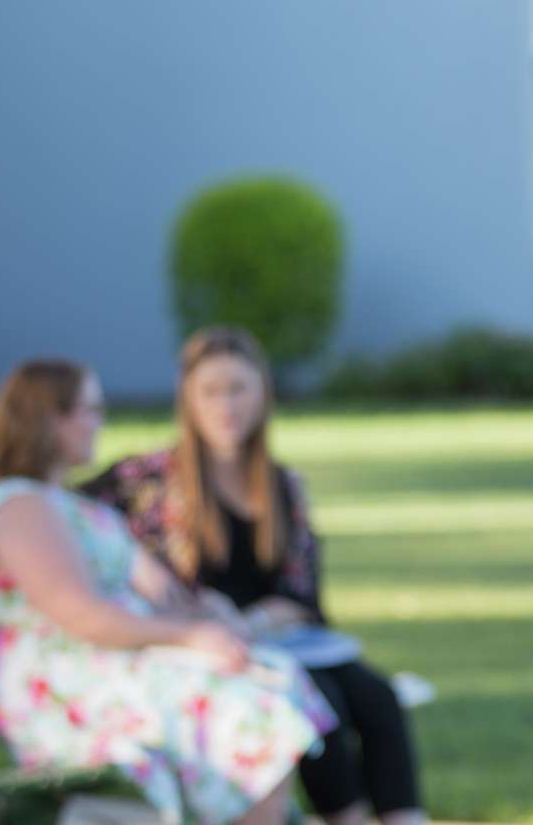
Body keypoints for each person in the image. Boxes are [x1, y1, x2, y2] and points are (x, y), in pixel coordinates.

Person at [0, 358, 337, 825]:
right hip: (68, 690)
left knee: (271, 674)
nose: (99, 421)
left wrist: (207, 614)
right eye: (90, 409)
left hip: (116, 668)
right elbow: (83, 617)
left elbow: (161, 592)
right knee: (251, 709)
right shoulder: (21, 508)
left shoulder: (76, 507)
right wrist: (187, 638)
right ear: (50, 419)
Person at [82, 328, 426, 825]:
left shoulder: (280, 485)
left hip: (277, 635)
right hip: (207, 649)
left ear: (262, 393)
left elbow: (302, 592)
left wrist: (252, 620)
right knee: (318, 703)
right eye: (211, 392)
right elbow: (69, 521)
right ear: (189, 400)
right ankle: (346, 817)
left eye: (238, 389)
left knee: (376, 696)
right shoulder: (147, 480)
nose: (226, 406)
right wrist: (148, 581)